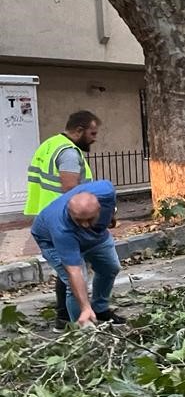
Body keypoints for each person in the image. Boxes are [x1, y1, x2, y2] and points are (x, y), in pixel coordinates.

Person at [24, 110, 101, 329]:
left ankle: (64, 314)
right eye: (92, 133)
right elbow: (70, 190)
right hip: (64, 218)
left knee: (66, 267)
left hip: (47, 215)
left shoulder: (51, 144)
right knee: (73, 268)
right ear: (79, 130)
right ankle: (70, 320)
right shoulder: (68, 153)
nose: (95, 138)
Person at [31, 180, 122, 327]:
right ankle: (80, 327)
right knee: (76, 283)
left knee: (110, 267)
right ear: (70, 211)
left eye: (89, 219)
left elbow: (111, 205)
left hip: (96, 234)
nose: (85, 225)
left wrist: (110, 216)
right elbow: (74, 271)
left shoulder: (106, 191)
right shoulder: (61, 229)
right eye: (80, 220)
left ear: (99, 208)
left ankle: (100, 310)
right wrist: (85, 307)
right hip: (50, 242)